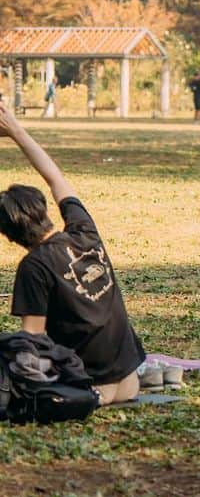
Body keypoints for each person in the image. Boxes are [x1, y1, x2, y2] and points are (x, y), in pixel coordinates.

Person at [0, 101, 144, 405]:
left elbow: (32, 343)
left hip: (87, 389)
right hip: (129, 382)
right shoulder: (84, 231)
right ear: (43, 208)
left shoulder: (34, 266)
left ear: (9, 237)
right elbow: (55, 178)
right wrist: (16, 131)